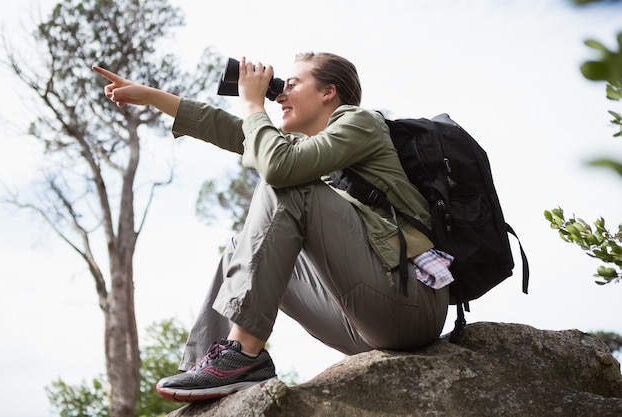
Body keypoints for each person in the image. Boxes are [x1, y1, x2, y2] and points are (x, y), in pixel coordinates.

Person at [92, 52, 454, 403]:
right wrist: (153, 97)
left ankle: (242, 355)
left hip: (410, 304)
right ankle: (207, 375)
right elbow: (235, 133)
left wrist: (254, 105)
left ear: (328, 92)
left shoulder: (360, 122)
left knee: (284, 184)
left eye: (291, 84)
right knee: (243, 246)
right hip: (361, 321)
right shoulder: (307, 147)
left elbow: (278, 168)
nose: (280, 94)